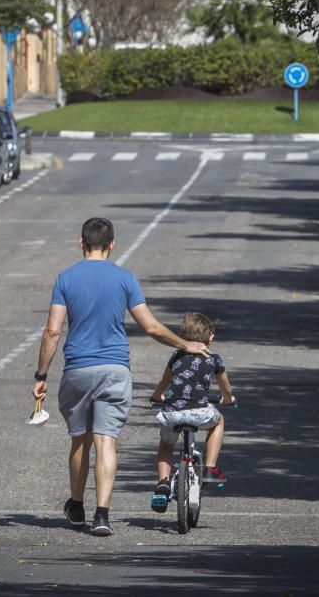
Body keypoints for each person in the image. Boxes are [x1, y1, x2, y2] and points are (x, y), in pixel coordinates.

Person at [32, 217, 210, 536]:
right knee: (106, 440)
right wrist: (187, 345)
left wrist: (41, 374)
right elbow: (152, 327)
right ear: (112, 244)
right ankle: (102, 515)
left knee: (80, 441)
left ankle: (76, 505)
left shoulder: (65, 278)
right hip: (115, 370)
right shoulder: (125, 279)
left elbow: (53, 330)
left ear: (81, 243)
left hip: (78, 369)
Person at [148, 312, 235, 513]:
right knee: (219, 421)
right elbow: (226, 389)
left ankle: (162, 483)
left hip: (173, 412)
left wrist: (157, 396)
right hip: (199, 412)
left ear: (183, 335)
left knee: (166, 445)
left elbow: (164, 383)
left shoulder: (176, 355)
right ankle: (210, 468)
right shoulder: (214, 359)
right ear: (210, 337)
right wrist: (228, 400)